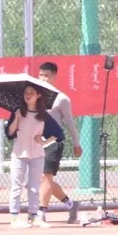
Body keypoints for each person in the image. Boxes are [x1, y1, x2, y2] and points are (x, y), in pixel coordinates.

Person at [4, 83, 61, 228]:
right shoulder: (18, 111)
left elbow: (58, 133)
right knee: (16, 186)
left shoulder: (43, 115)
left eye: (31, 92)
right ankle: (14, 217)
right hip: (19, 155)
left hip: (37, 155)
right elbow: (10, 133)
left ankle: (33, 216)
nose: (28, 95)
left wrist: (45, 141)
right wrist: (16, 118)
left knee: (34, 187)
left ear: (38, 95)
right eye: (26, 93)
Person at [37, 62, 82, 224]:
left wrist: (76, 143)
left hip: (53, 143)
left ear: (54, 76)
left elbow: (70, 123)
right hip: (36, 143)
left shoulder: (61, 99)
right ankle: (71, 205)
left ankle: (41, 212)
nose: (43, 78)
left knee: (46, 177)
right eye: (40, 75)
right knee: (42, 180)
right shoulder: (34, 97)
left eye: (46, 75)